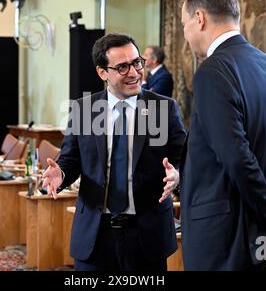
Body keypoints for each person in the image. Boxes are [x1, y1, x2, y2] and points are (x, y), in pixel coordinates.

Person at [178, 0, 266, 270]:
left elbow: (236, 155)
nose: (185, 35)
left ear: (200, 19)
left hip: (225, 243)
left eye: (185, 24)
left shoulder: (212, 71)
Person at [42, 33, 186, 271]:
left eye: (136, 62)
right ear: (102, 72)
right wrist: (62, 176)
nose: (134, 72)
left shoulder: (164, 109)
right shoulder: (83, 110)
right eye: (122, 67)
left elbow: (183, 159)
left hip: (147, 236)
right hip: (95, 235)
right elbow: (70, 160)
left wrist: (178, 175)